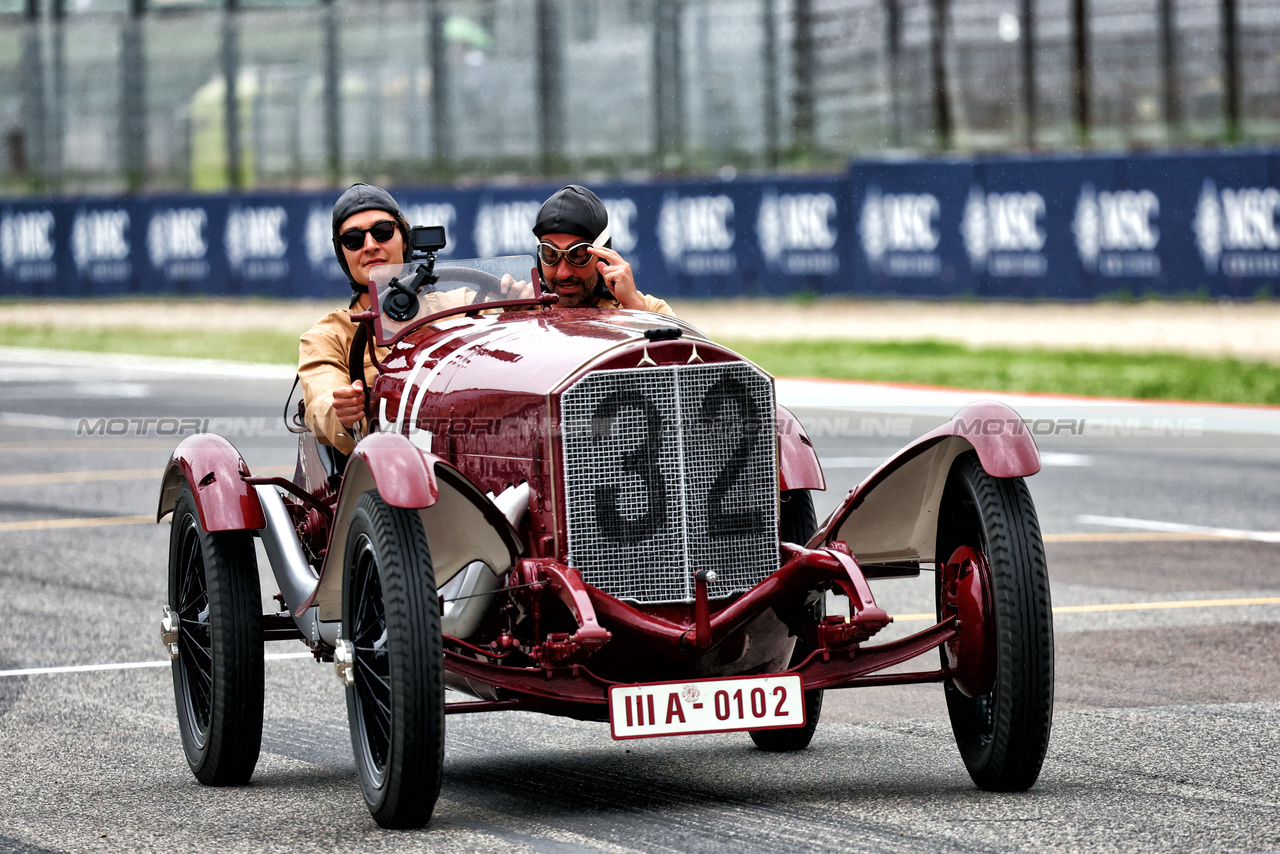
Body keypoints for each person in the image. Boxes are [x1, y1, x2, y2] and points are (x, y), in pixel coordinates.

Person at [297, 183, 407, 456]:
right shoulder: (327, 335)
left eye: (382, 232)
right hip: (381, 467)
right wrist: (341, 410)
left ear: (404, 238)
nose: (370, 245)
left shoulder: (463, 304)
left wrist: (520, 308)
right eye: (354, 240)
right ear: (343, 255)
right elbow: (322, 398)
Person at [530, 185, 674, 316]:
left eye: (578, 255)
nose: (563, 273)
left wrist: (632, 307)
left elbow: (670, 345)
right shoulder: (521, 305)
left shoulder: (651, 310)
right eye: (550, 254)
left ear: (602, 255)